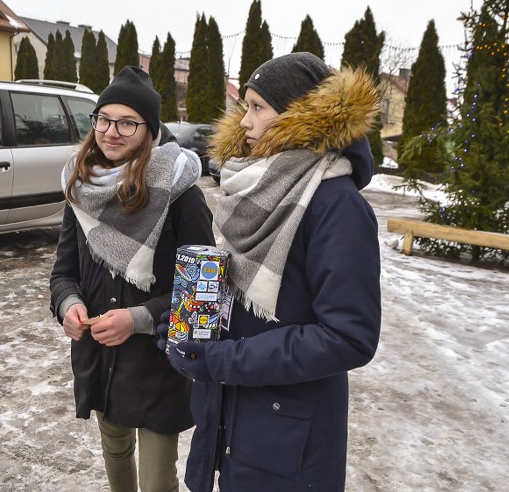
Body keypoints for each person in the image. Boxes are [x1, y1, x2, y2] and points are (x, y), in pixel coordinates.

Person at [163, 53, 382, 491]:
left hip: (289, 440)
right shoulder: (256, 190)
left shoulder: (336, 206)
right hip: (236, 419)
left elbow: (348, 337)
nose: (244, 121)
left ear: (299, 115)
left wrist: (223, 360)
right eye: (246, 106)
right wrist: (189, 327)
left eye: (258, 107)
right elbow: (245, 301)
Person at [50, 66, 214, 492]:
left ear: (149, 130)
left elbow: (204, 293)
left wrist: (138, 318)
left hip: (157, 363)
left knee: (157, 481)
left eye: (127, 122)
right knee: (116, 455)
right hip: (100, 356)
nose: (111, 131)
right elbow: (64, 272)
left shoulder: (181, 194)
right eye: (104, 119)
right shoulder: (81, 186)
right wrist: (69, 305)